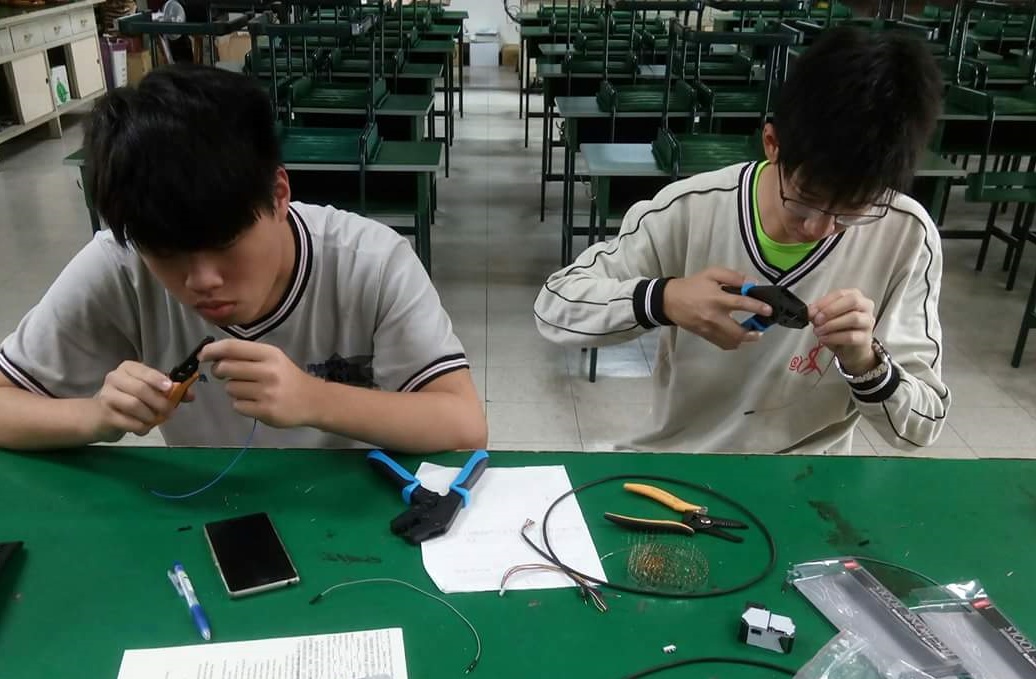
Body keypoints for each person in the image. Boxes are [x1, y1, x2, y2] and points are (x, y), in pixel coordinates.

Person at [0, 64, 487, 453]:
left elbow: (463, 425)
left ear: (279, 194)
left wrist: (315, 399)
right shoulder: (119, 264)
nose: (201, 281)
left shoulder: (371, 263)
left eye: (225, 243)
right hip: (206, 513)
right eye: (167, 254)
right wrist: (96, 415)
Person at [533, 26, 950, 454]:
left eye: (851, 211)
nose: (818, 229)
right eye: (805, 200)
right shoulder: (691, 209)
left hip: (807, 473)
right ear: (772, 143)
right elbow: (554, 307)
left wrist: (867, 364)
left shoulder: (904, 234)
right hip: (685, 458)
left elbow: (922, 427)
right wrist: (663, 299)